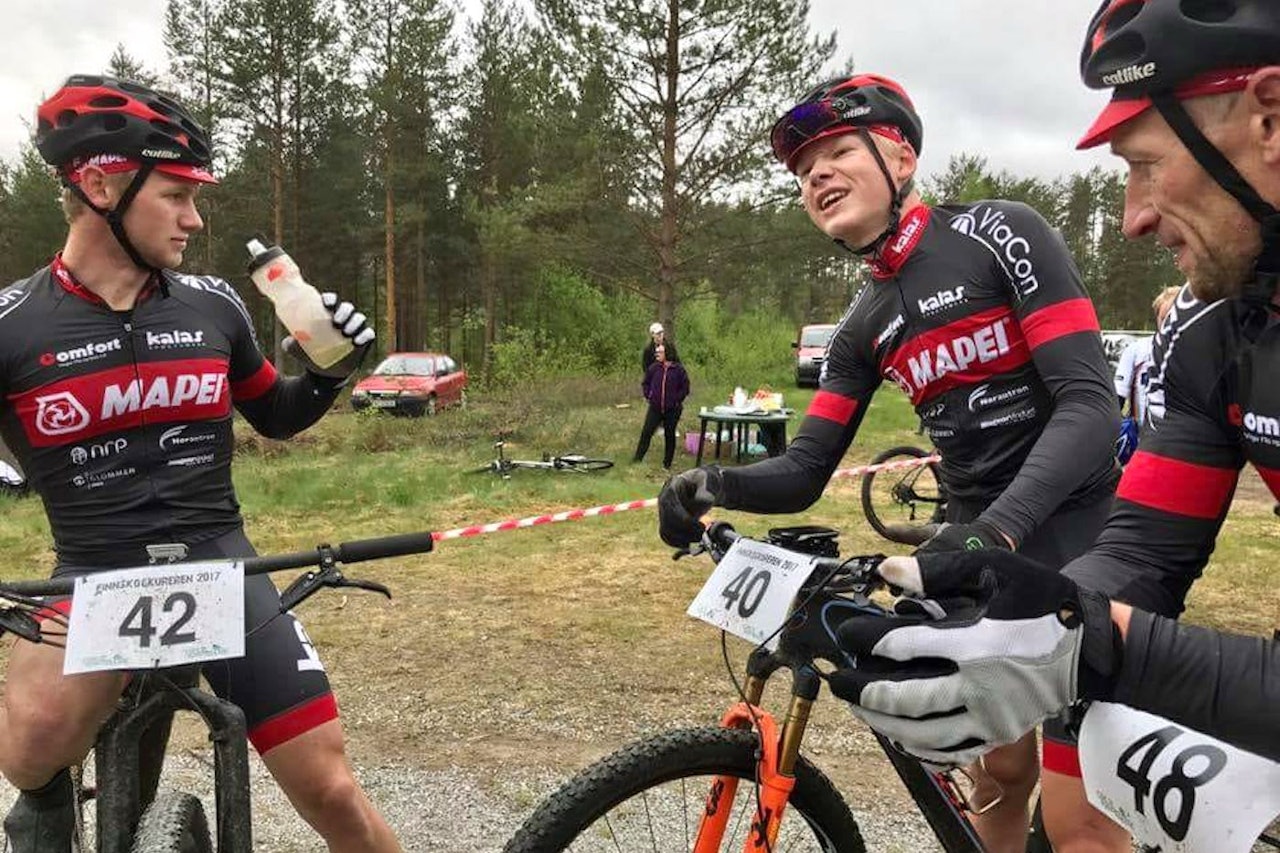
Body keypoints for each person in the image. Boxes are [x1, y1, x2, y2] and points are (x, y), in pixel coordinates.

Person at [830, 1, 1280, 848]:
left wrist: (1086, 639)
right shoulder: (1219, 341)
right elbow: (1142, 553)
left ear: (1270, 119)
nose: (1131, 217)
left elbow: (1116, 618)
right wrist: (1033, 608)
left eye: (1145, 165)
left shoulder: (999, 238)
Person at [659, 72, 1120, 853]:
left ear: (901, 158)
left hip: (1085, 539)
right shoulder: (862, 324)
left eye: (839, 150)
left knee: (1080, 827)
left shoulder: (1001, 233)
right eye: (805, 172)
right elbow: (807, 466)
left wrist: (998, 531)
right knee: (1001, 773)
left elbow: (1089, 406)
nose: (819, 176)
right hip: (977, 549)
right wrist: (709, 482)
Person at [0, 75, 399, 853]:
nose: (196, 217)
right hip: (92, 572)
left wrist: (325, 371)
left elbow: (275, 414)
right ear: (101, 183)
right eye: (177, 195)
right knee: (27, 749)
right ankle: (47, 802)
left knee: (334, 790)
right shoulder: (13, 326)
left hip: (218, 563)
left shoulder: (214, 305)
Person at [1112, 286, 1179, 463]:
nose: (1167, 324)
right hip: (1142, 442)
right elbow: (1117, 397)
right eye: (1163, 318)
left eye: (1173, 317)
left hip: (1181, 443)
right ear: (1156, 318)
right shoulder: (1136, 350)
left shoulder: (1197, 353)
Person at [634, 344, 690, 469]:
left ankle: (667, 464)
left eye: (660, 352)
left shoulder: (679, 370)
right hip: (655, 408)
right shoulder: (654, 368)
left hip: (672, 409)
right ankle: (637, 460)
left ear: (668, 353)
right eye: (657, 352)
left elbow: (685, 388)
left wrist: (676, 400)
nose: (657, 354)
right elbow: (645, 383)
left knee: (669, 435)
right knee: (646, 432)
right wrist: (649, 395)